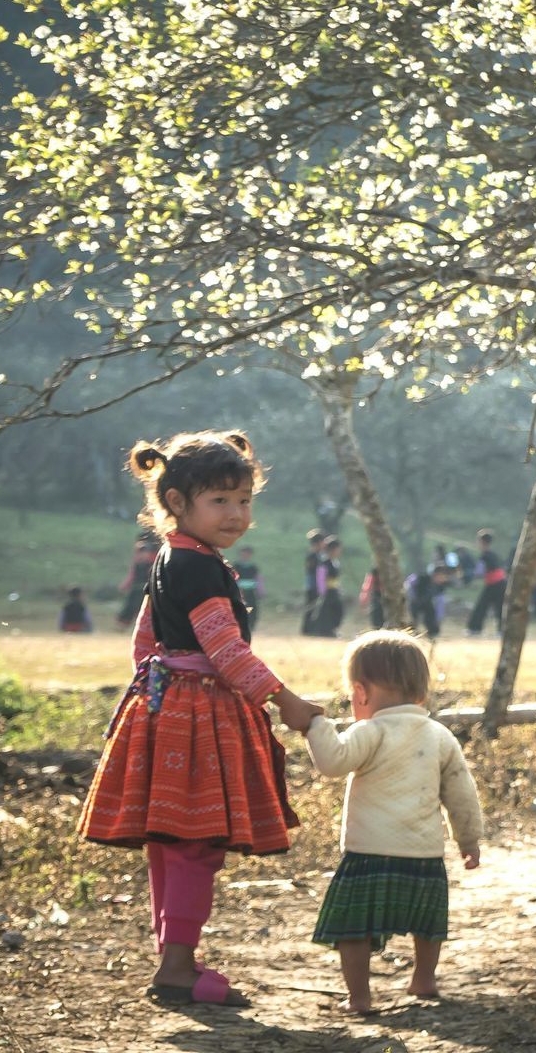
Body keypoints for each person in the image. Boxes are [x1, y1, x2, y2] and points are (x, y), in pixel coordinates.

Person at [78, 430, 321, 1007]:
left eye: (244, 501)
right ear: (177, 502)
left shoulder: (174, 556)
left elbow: (145, 638)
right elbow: (227, 650)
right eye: (220, 501)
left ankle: (174, 958)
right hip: (195, 712)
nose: (237, 514)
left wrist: (157, 692)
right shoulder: (200, 568)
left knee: (169, 840)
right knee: (194, 843)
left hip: (164, 705)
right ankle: (178, 967)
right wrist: (284, 700)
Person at [302, 630, 483, 1011]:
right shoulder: (439, 736)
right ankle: (423, 978)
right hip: (424, 853)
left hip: (369, 851)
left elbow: (333, 762)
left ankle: (360, 997)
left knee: (355, 929)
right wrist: (469, 840)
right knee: (426, 921)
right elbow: (461, 794)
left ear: (361, 693)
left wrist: (316, 726)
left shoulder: (372, 731)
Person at [464, 530, 508, 636]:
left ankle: (474, 628)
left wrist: (469, 579)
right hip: (499, 583)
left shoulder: (485, 555)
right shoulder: (492, 554)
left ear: (482, 542)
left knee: (482, 606)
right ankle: (502, 630)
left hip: (495, 584)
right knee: (499, 608)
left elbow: (479, 572)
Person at [303, 537, 345, 637]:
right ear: (333, 549)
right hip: (327, 591)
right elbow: (320, 577)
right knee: (325, 612)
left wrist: (339, 588)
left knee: (338, 610)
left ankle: (333, 629)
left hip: (334, 590)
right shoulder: (324, 562)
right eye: (338, 549)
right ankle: (325, 631)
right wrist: (322, 592)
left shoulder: (335, 562)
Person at [116, 538, 158, 629]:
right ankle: (122, 625)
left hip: (148, 591)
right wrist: (124, 586)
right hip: (135, 590)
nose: (142, 554)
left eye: (144, 551)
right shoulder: (137, 563)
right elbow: (132, 576)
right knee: (130, 606)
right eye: (140, 551)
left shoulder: (154, 563)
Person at [406, 564, 450, 639]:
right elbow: (409, 585)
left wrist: (439, 618)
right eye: (441, 576)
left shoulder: (440, 587)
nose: (443, 579)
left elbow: (440, 603)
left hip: (427, 603)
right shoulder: (422, 578)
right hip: (414, 602)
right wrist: (412, 597)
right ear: (435, 574)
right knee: (412, 619)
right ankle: (409, 634)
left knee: (431, 618)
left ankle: (432, 634)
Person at [230, 545, 263, 628]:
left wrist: (260, 591)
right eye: (243, 554)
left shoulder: (253, 567)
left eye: (247, 554)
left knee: (252, 608)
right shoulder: (236, 566)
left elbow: (258, 579)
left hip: (251, 592)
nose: (245, 556)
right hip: (239, 592)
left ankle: (251, 625)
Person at [303, 528, 327, 610]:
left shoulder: (321, 555)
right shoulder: (312, 556)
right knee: (311, 609)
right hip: (313, 587)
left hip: (319, 587)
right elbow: (314, 572)